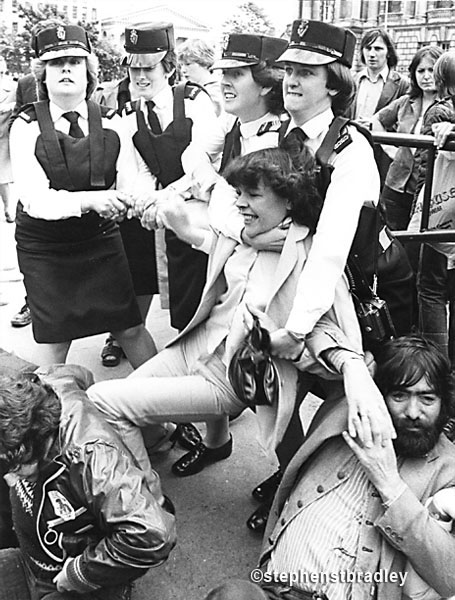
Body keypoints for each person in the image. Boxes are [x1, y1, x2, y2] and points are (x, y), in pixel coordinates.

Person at [87, 147, 392, 490]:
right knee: (111, 408)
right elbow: (212, 235)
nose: (241, 203)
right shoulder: (247, 232)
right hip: (194, 346)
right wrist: (188, 227)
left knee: (103, 400)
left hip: (226, 379)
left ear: (289, 200)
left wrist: (346, 366)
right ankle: (208, 445)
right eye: (240, 193)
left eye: (253, 195)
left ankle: (145, 504)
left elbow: (329, 331)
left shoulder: (311, 257)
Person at [205, 335, 455, 600]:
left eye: (427, 399)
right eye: (399, 395)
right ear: (379, 395)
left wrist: (390, 483)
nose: (413, 411)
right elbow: (312, 333)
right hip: (276, 590)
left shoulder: (447, 468)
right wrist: (353, 368)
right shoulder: (346, 408)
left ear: (444, 404)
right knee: (232, 595)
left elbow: (450, 576)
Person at [9, 24, 158, 367]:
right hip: (46, 247)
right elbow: (35, 199)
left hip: (99, 240)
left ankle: (166, 415)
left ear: (89, 74)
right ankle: (42, 417)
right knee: (56, 338)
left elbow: (131, 180)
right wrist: (91, 200)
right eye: (55, 63)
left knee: (130, 327)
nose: (65, 69)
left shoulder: (112, 122)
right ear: (41, 76)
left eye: (75, 62)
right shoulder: (25, 125)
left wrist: (139, 202)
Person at [0, 363, 176, 599]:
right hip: (32, 555)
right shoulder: (43, 384)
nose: (11, 480)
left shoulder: (94, 463)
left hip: (69, 578)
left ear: (37, 439)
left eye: (17, 468)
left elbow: (152, 535)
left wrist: (80, 573)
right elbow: (78, 374)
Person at [120, 22, 223, 333]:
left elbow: (204, 162)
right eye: (133, 69)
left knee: (195, 298)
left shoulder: (194, 100)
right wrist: (147, 199)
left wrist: (165, 196)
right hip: (160, 209)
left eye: (148, 69)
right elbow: (141, 169)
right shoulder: (129, 113)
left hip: (199, 208)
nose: (139, 77)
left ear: (168, 68)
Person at [409, 51, 455, 365]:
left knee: (431, 288)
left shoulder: (439, 112)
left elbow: (426, 162)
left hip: (440, 209)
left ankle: (438, 367)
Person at [371, 45, 443, 231]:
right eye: (421, 71)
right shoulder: (405, 102)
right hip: (395, 185)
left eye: (432, 70)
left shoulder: (449, 106)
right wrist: (391, 151)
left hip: (430, 191)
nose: (426, 76)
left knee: (419, 246)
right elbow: (377, 120)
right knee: (389, 242)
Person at [351, 28, 409, 186]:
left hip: (383, 157)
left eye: (378, 48)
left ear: (388, 53)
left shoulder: (402, 84)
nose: (371, 54)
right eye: (368, 48)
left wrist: (375, 124)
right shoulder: (353, 81)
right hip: (353, 151)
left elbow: (406, 122)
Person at [177, 38, 223, 117]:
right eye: (181, 65)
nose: (183, 70)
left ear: (204, 62)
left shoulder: (216, 91)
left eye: (188, 64)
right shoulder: (185, 90)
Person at [0, 56, 16, 223]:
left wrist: (9, 107)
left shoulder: (12, 87)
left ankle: (7, 208)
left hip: (3, 137)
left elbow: (20, 104)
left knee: (2, 177)